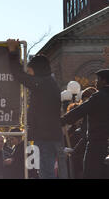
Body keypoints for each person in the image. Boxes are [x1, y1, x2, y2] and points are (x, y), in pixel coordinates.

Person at [7, 39, 67, 179]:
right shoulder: (50, 83)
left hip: (45, 136)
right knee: (56, 171)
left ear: (38, 69)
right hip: (53, 135)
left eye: (30, 70)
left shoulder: (43, 83)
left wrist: (12, 53)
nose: (29, 73)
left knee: (46, 173)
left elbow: (19, 76)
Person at [61, 69, 109, 179]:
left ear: (104, 81)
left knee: (90, 174)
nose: (96, 82)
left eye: (98, 79)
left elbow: (80, 111)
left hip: (95, 144)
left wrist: (63, 120)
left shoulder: (98, 97)